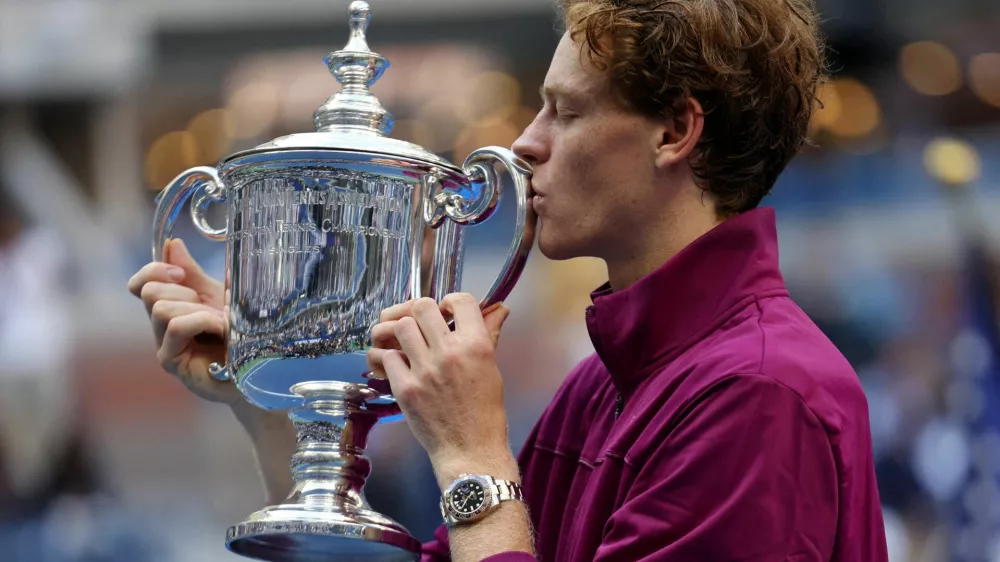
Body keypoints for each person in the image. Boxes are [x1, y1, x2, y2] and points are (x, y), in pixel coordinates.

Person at [128, 0, 890, 560]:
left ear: (673, 132)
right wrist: (271, 397)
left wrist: (473, 461)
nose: (526, 143)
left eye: (565, 111)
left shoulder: (759, 394)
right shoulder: (601, 388)